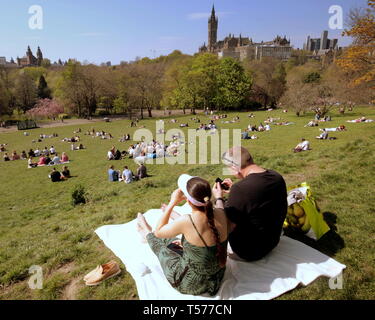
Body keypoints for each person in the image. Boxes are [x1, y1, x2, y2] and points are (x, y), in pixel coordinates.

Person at [136, 174, 228, 296]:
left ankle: (147, 232)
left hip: (191, 283)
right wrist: (219, 197)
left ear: (188, 201)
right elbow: (204, 226)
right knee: (173, 239)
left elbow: (159, 232)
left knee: (162, 249)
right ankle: (148, 233)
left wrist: (172, 203)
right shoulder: (221, 213)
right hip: (217, 277)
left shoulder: (187, 221)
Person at [215, 146, 287, 261]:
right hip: (272, 241)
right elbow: (259, 199)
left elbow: (226, 225)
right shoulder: (276, 176)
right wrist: (235, 190)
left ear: (234, 167)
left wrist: (219, 198)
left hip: (248, 251)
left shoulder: (241, 189)